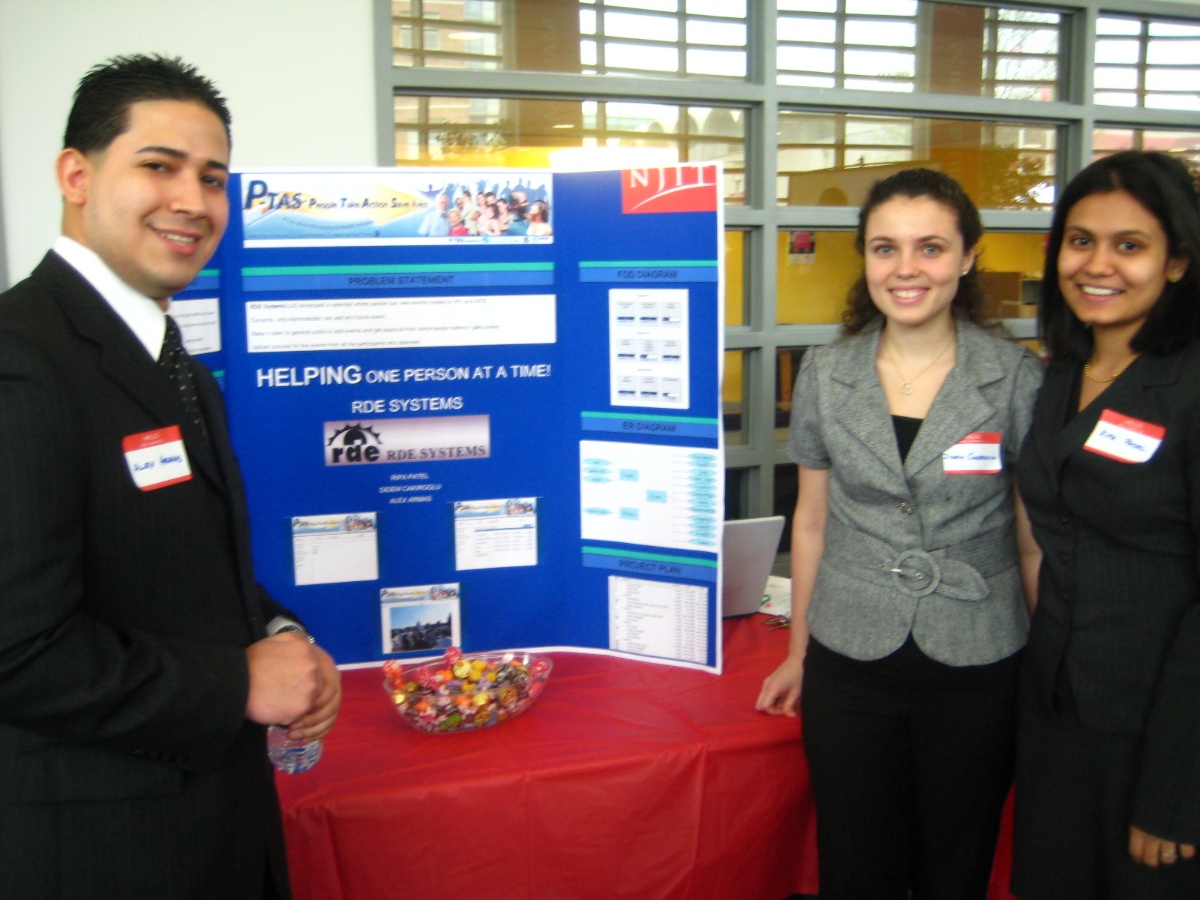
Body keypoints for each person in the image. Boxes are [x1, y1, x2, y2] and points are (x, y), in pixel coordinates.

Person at [0, 54, 341, 898]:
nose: (193, 200)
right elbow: (17, 650)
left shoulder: (175, 364)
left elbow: (184, 565)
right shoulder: (21, 359)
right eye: (159, 166)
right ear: (76, 175)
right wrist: (239, 682)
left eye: (213, 178)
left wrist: (281, 634)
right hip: (106, 855)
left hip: (211, 829)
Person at [756, 168, 1043, 899]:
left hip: (979, 657)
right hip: (850, 657)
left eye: (930, 248)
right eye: (886, 248)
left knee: (956, 863)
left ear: (968, 257)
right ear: (866, 258)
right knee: (856, 864)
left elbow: (1031, 537)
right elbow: (812, 520)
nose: (906, 269)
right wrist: (799, 652)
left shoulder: (1015, 378)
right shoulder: (827, 373)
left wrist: (1045, 664)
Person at [1012, 150, 1200, 899]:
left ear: (1176, 262)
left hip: (1161, 730)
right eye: (1081, 240)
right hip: (1058, 715)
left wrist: (1177, 790)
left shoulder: (1189, 386)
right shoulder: (1063, 371)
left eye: (1130, 245)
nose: (1098, 264)